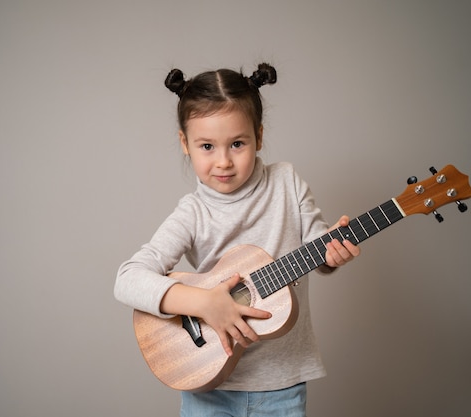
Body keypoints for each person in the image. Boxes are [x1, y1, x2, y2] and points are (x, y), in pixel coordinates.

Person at [114, 63, 360, 417]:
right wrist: (203, 304)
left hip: (282, 385)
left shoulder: (287, 183)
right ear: (185, 143)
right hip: (206, 383)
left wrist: (332, 253)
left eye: (238, 144)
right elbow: (127, 279)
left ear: (259, 137)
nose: (224, 161)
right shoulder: (193, 212)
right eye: (207, 146)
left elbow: (319, 246)